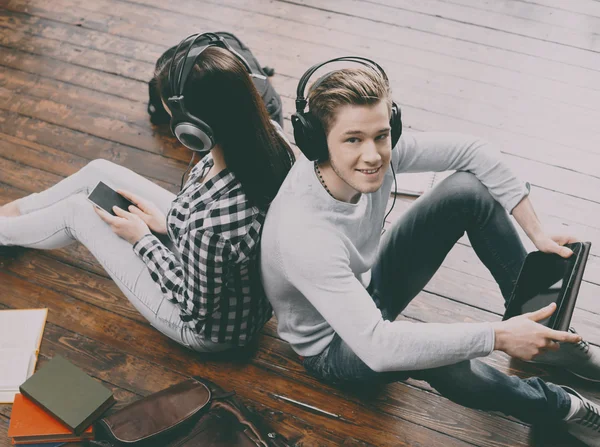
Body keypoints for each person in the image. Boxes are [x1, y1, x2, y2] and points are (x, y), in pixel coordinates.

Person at [259, 57, 600, 445]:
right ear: (317, 140)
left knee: (467, 191)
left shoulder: (373, 157)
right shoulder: (305, 236)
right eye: (353, 139)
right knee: (440, 357)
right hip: (336, 348)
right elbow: (379, 348)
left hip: (366, 292)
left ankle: (544, 335)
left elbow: (475, 152)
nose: (373, 155)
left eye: (382, 135)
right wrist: (497, 336)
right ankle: (562, 408)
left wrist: (537, 233)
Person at [0, 34, 294, 353]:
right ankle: (14, 215)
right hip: (217, 267)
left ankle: (4, 230)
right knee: (98, 171)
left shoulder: (212, 230)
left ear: (193, 130)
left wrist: (141, 239)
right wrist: (167, 224)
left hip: (204, 329)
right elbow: (224, 244)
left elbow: (192, 305)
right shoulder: (269, 140)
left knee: (76, 212)